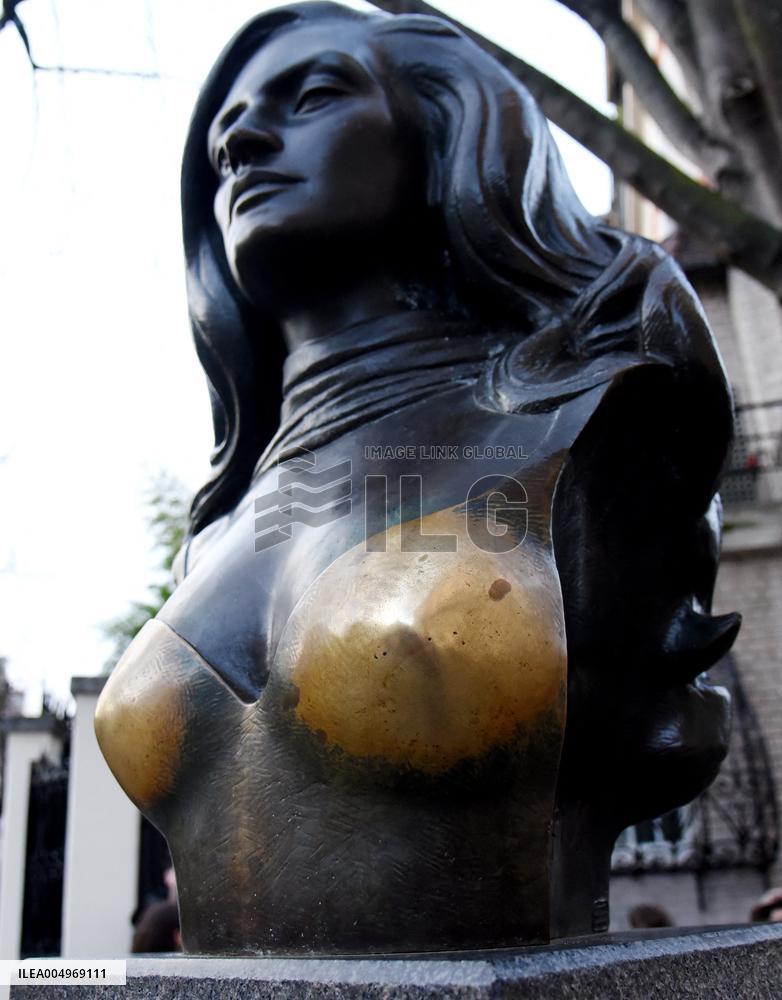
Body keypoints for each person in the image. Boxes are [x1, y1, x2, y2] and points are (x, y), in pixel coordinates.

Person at [96, 2, 739, 953]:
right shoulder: (221, 525)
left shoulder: (588, 421)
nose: (241, 141)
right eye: (224, 136)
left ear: (446, 130)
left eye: (311, 94)